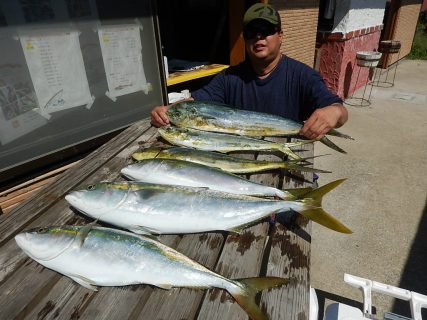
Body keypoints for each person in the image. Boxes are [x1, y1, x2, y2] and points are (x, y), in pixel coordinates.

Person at [151, 3, 348, 141]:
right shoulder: (229, 77)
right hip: (239, 155)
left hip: (285, 156)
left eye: (266, 29)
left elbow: (340, 113)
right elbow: (195, 105)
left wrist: (334, 111)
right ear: (245, 39)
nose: (258, 36)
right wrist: (166, 111)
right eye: (251, 32)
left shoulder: (303, 75)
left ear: (280, 36)